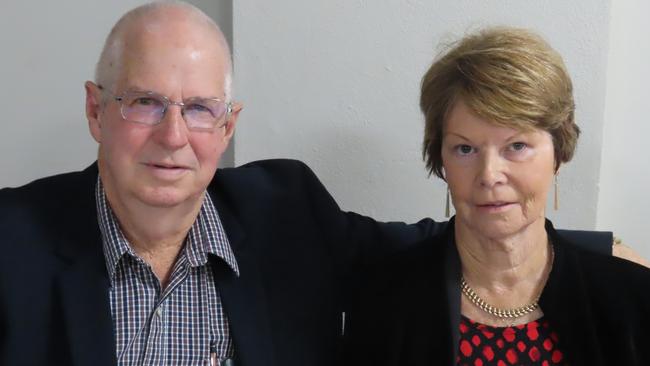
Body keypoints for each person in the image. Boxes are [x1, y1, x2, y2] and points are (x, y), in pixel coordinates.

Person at [0, 4, 634, 365]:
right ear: (95, 111)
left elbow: (440, 235)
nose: (173, 135)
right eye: (143, 102)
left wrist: (597, 254)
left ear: (227, 126)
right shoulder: (13, 242)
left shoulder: (285, 214)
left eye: (198, 108)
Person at [343, 27, 650, 365]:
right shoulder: (383, 299)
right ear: (440, 161)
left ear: (559, 154)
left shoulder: (632, 298)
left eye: (516, 146)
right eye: (465, 148)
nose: (489, 175)